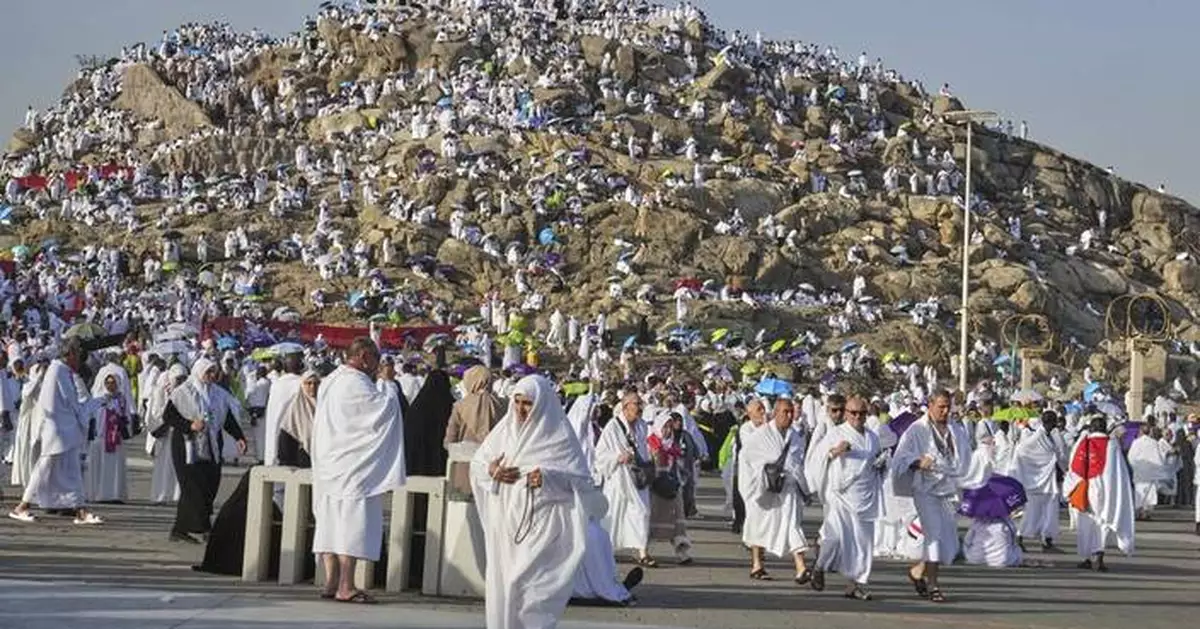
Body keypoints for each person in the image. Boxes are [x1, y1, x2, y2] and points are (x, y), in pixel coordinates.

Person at [471, 374, 595, 628]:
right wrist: (491, 471)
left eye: (527, 403)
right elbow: (478, 464)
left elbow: (582, 483)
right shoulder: (504, 432)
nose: (520, 409)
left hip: (543, 530)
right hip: (506, 528)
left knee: (531, 591)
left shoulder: (558, 436)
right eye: (517, 402)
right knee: (507, 588)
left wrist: (548, 478)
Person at [311, 338, 405, 604]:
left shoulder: (331, 380)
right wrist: (387, 383)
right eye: (375, 359)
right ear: (364, 357)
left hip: (330, 464)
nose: (377, 366)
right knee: (350, 526)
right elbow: (383, 412)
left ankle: (330, 582)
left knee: (331, 524)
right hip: (353, 467)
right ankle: (345, 584)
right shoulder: (357, 383)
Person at [891, 390, 988, 603]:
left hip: (948, 490)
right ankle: (934, 585)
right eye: (941, 407)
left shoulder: (956, 429)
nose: (945, 411)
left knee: (946, 543)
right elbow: (900, 459)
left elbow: (964, 459)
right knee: (933, 534)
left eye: (948, 407)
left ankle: (918, 571)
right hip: (925, 489)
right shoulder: (916, 430)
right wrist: (917, 462)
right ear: (930, 405)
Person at [9, 338, 108, 525]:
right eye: (77, 354)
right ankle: (22, 507)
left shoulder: (61, 371)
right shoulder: (59, 371)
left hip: (63, 429)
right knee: (45, 468)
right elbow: (74, 405)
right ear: (70, 354)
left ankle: (80, 510)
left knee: (71, 471)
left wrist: (98, 401)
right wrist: (97, 402)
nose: (79, 359)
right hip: (58, 430)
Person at [162, 357, 247, 543]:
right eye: (208, 372)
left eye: (213, 372)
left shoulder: (218, 394)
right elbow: (168, 416)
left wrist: (239, 437)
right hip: (187, 445)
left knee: (210, 485)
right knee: (193, 486)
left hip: (211, 445)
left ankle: (180, 529)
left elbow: (227, 419)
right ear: (199, 372)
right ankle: (204, 527)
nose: (211, 376)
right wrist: (190, 425)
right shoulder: (182, 392)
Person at [806, 396, 881, 600]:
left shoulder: (873, 438)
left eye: (862, 413)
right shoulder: (835, 434)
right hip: (839, 495)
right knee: (833, 537)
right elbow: (817, 459)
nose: (857, 417)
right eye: (853, 413)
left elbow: (875, 461)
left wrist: (881, 465)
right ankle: (819, 567)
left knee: (862, 543)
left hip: (865, 496)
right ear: (846, 413)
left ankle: (854, 585)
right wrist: (835, 452)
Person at [740, 398, 811, 584]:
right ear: (775, 413)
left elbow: (798, 463)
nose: (788, 416)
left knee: (792, 524)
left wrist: (804, 487)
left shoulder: (795, 436)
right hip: (764, 488)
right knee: (759, 524)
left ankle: (801, 568)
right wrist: (763, 474)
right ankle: (757, 564)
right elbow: (747, 458)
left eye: (791, 412)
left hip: (788, 490)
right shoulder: (760, 435)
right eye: (784, 412)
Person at [1064, 414, 1135, 572]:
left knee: (1086, 522)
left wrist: (1070, 488)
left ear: (1092, 428)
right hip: (1106, 490)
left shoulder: (1083, 443)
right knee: (1103, 522)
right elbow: (1118, 473)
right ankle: (1099, 557)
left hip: (1086, 489)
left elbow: (1074, 468)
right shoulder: (1112, 445)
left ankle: (1086, 558)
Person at [595, 391, 653, 566]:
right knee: (615, 514)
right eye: (636, 404)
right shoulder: (612, 427)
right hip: (618, 479)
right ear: (626, 406)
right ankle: (608, 550)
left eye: (640, 404)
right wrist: (617, 458)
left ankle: (642, 551)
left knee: (642, 512)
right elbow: (600, 455)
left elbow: (644, 449)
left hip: (637, 478)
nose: (639, 408)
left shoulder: (642, 426)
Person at [1009, 413, 1066, 551]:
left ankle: (1047, 540)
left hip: (1049, 480)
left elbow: (1060, 454)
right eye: (1050, 422)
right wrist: (1033, 469)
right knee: (1032, 512)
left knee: (1051, 512)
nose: (1051, 425)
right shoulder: (1035, 437)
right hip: (1036, 481)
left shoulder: (1053, 436)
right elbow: (1021, 451)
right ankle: (1019, 536)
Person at [646, 410, 694, 565]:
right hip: (655, 487)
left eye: (669, 427)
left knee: (677, 518)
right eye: (664, 427)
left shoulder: (673, 445)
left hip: (672, 486)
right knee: (652, 519)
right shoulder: (651, 443)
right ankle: (644, 550)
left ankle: (681, 551)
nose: (667, 431)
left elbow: (681, 465)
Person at [85, 364, 133, 503]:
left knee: (115, 466)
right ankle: (100, 494)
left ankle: (115, 494)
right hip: (101, 437)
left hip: (116, 438)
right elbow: (92, 417)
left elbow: (127, 417)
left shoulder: (121, 399)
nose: (110, 385)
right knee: (101, 465)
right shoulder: (98, 399)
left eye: (113, 383)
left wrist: (120, 419)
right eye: (108, 382)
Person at [145, 363, 186, 504]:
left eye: (183, 379)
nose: (180, 382)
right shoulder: (160, 391)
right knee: (164, 465)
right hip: (165, 434)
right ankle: (161, 494)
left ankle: (178, 495)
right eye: (178, 379)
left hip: (180, 433)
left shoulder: (186, 392)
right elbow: (156, 413)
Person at [444, 365, 504, 446]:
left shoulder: (460, 406)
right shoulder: (502, 404)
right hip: (492, 455)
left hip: (465, 456)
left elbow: (450, 439)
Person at [277, 371, 319, 468]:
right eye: (308, 383)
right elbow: (286, 439)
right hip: (299, 464)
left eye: (316, 383)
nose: (312, 387)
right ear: (302, 385)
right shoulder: (294, 410)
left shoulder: (323, 406)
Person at [1128, 425, 1169, 520]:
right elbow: (1160, 457)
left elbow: (1131, 457)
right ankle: (1146, 512)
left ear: (1141, 432)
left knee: (1140, 493)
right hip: (1151, 472)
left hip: (1140, 472)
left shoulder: (1136, 443)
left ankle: (1139, 511)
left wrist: (1135, 466)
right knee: (1149, 494)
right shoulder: (1154, 443)